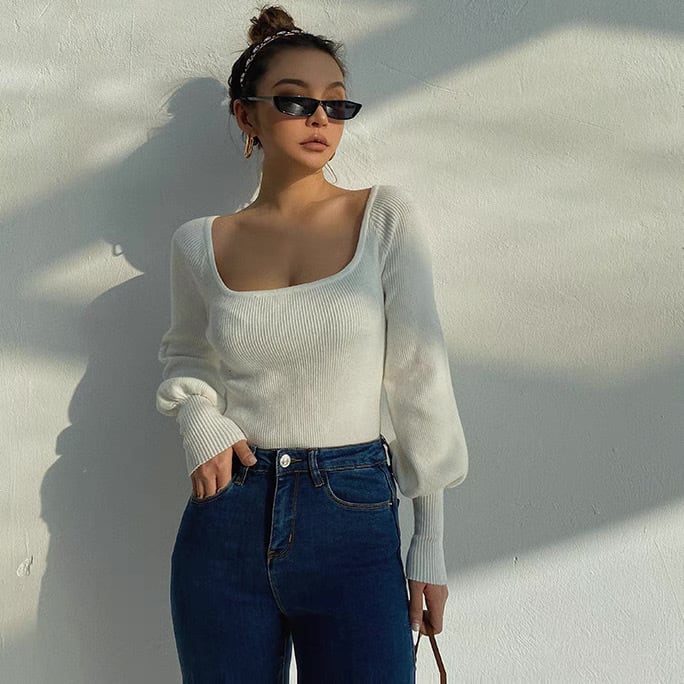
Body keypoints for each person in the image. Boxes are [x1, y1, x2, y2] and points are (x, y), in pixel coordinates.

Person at [155, 4, 468, 682]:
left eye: (336, 103)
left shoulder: (383, 217)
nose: (320, 118)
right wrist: (198, 417)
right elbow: (186, 356)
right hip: (226, 518)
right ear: (246, 115)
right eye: (295, 101)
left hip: (353, 514)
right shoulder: (198, 243)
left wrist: (430, 543)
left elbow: (419, 376)